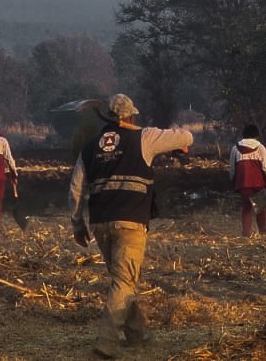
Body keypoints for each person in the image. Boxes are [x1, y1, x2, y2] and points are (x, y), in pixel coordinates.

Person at [68, 93, 193, 359]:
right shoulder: (144, 137)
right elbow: (186, 137)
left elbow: (76, 188)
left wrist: (78, 224)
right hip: (131, 221)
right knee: (124, 282)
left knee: (122, 280)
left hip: (100, 223)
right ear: (131, 116)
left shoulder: (90, 148)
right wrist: (170, 143)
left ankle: (139, 335)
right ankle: (106, 341)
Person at [229, 124, 266, 238]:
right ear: (256, 135)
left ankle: (246, 235)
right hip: (257, 184)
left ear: (244, 135)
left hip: (243, 184)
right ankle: (263, 233)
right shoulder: (261, 148)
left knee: (246, 208)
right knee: (260, 209)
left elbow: (232, 169)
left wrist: (233, 182)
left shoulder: (235, 148)